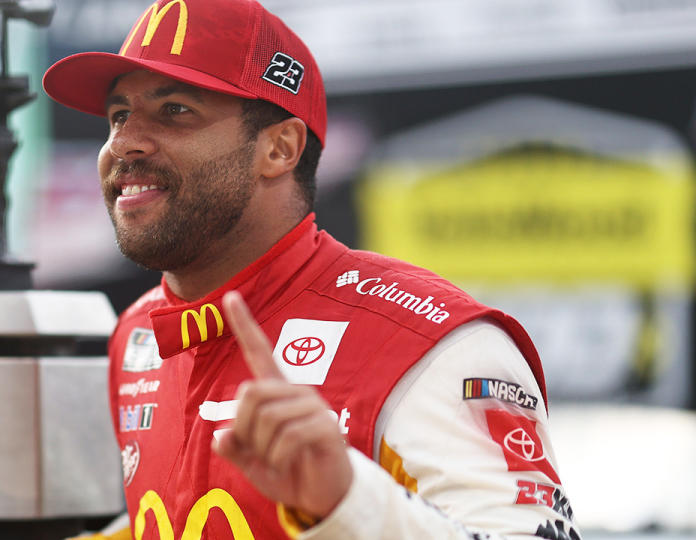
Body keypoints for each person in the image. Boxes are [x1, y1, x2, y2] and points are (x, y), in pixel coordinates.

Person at [43, 1, 581, 538]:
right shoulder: (137, 335)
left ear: (279, 148)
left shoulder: (428, 343)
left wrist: (344, 501)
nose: (122, 143)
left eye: (176, 110)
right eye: (118, 115)